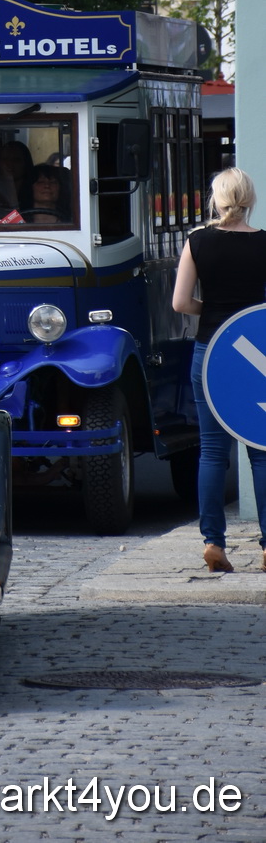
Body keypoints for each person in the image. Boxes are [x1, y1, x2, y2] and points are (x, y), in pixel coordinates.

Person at [172, 167, 266, 573]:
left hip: (211, 351)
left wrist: (210, 311)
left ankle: (214, 542)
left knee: (212, 451)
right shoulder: (265, 243)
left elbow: (180, 303)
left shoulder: (197, 242)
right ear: (249, 200)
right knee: (261, 453)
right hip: (257, 355)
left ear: (217, 199)